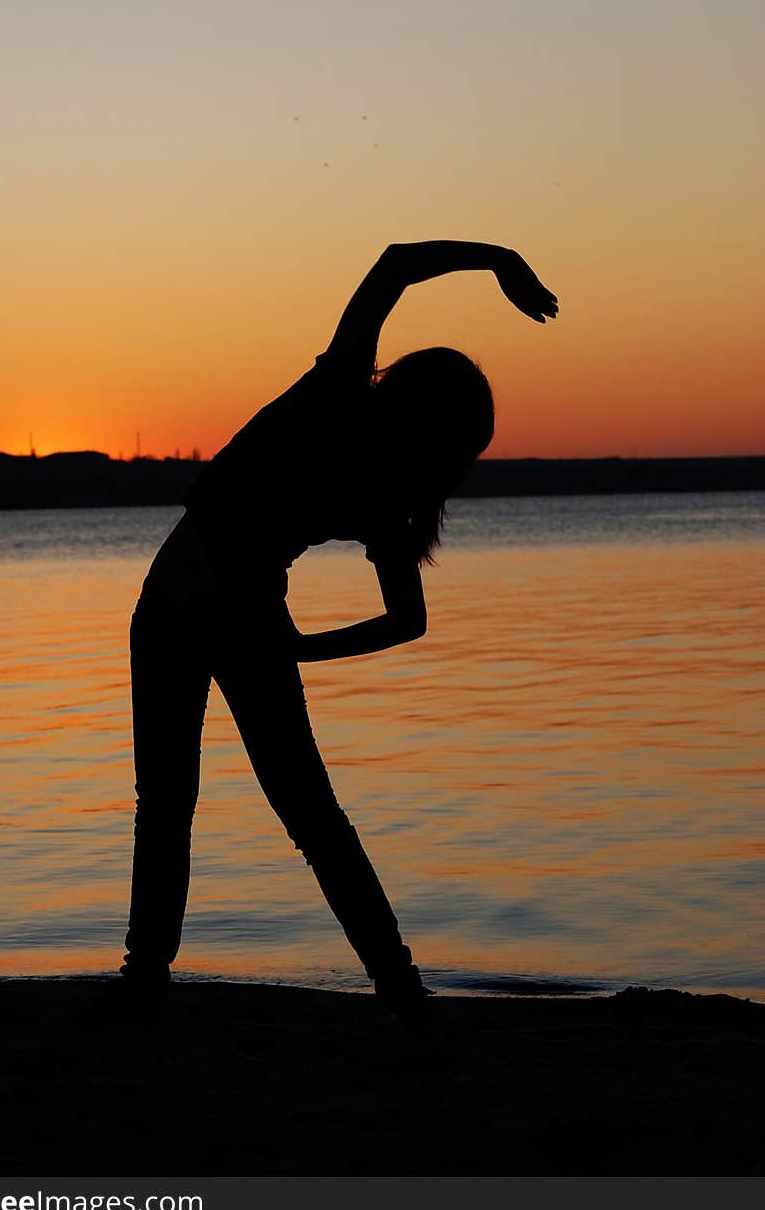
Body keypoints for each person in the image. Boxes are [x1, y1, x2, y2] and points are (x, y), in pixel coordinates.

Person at [119, 240, 558, 1024]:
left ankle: (161, 973)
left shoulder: (370, 447)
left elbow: (405, 619)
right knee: (278, 809)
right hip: (212, 611)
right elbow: (393, 265)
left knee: (224, 806)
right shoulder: (353, 409)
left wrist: (298, 647)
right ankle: (389, 978)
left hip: (197, 597)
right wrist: (502, 257)